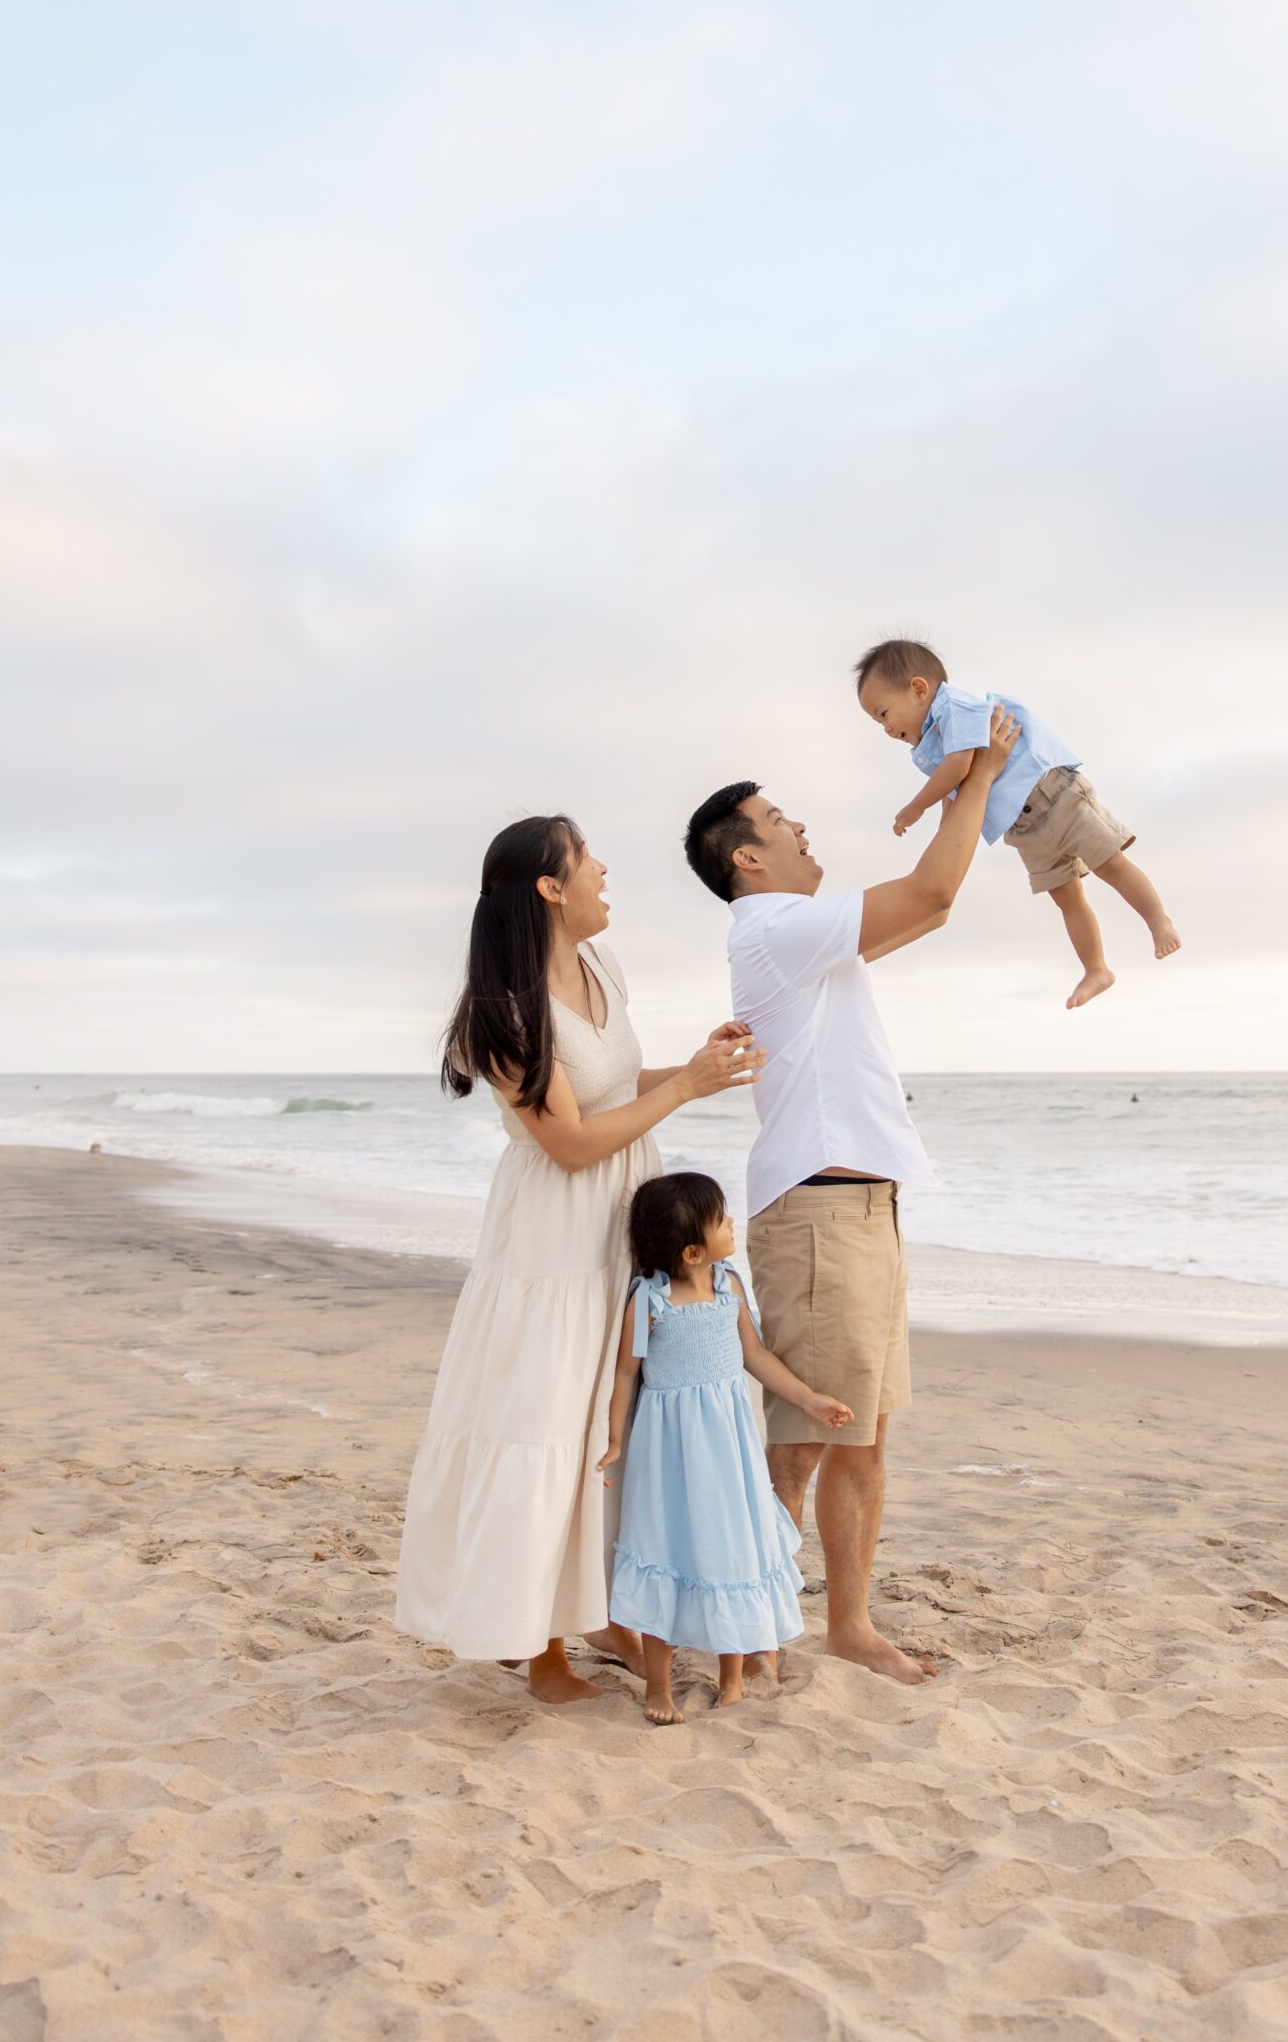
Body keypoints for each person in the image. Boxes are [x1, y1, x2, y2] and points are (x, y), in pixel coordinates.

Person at [682, 703, 1019, 1687]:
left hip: (857, 1205)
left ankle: (846, 1625)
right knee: (805, 1436)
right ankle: (745, 1623)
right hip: (823, 1210)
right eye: (779, 819)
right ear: (747, 858)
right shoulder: (776, 925)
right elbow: (933, 893)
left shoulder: (793, 934)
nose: (798, 828)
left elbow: (919, 908)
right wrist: (981, 774)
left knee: (858, 1431)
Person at [393, 816, 764, 1706]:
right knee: (550, 1421)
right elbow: (565, 1141)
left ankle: (601, 1608)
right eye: (587, 857)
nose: (604, 870)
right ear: (551, 889)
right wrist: (685, 1091)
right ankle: (542, 1651)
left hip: (620, 1218)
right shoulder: (507, 1010)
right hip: (555, 1236)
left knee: (612, 1418)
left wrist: (699, 1067)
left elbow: (617, 1086)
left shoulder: (602, 968)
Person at [597, 1171, 853, 1725]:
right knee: (667, 1548)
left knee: (731, 1547)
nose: (732, 1222)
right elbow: (625, 1374)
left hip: (729, 1449)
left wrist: (808, 1399)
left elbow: (754, 1356)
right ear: (691, 1249)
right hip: (669, 1451)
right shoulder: (650, 1300)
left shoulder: (729, 1283)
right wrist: (615, 1440)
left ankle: (732, 1679)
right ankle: (658, 1687)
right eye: (721, 1219)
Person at [855, 635, 1180, 1011]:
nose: (886, 729)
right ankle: (1096, 968)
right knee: (1067, 899)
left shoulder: (954, 708)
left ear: (918, 689)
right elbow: (955, 795)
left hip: (1056, 797)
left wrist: (914, 807)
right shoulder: (931, 745)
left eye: (883, 714)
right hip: (1023, 828)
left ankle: (1158, 920)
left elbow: (960, 768)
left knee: (1111, 864)